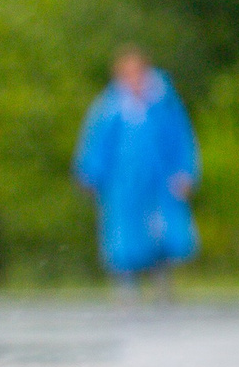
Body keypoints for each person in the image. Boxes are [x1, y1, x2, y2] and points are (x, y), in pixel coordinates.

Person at [75, 45, 199, 300]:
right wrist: (90, 173)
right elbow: (97, 142)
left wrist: (185, 171)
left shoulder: (164, 103)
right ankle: (126, 281)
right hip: (123, 182)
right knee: (123, 230)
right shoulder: (109, 108)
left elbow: (182, 139)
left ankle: (162, 277)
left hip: (160, 179)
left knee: (160, 227)